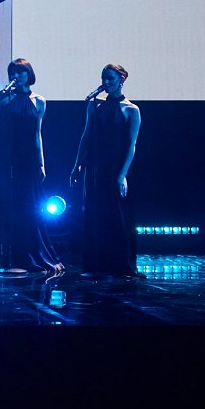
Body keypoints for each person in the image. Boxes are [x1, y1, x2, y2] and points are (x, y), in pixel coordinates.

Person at [0, 58, 63, 275]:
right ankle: (10, 259)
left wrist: (41, 163)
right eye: (13, 73)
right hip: (4, 156)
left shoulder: (39, 101)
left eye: (20, 72)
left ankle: (30, 256)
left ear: (29, 74)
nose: (16, 76)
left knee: (28, 206)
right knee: (6, 205)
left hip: (27, 159)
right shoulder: (3, 97)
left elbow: (37, 134)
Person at [70, 63, 142, 279]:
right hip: (95, 168)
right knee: (95, 215)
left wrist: (122, 175)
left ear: (122, 79)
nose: (106, 82)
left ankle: (118, 266)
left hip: (116, 168)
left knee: (116, 218)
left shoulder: (131, 109)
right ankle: (96, 265)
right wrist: (77, 165)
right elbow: (86, 136)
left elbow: (131, 145)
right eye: (104, 78)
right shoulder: (95, 105)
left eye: (111, 78)